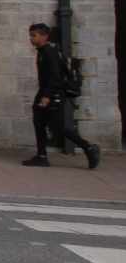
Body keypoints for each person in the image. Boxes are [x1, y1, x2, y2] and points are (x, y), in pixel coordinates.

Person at [23, 23, 101, 169]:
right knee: (39, 122)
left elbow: (55, 76)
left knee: (57, 125)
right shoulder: (42, 52)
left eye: (34, 35)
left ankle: (89, 148)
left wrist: (47, 96)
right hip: (44, 92)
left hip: (54, 94)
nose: (31, 38)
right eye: (30, 35)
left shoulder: (50, 53)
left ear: (44, 37)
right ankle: (41, 156)